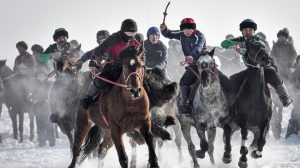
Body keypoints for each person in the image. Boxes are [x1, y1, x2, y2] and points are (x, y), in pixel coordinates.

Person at [160, 18, 230, 114]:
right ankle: (186, 105)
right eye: (185, 29)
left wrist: (192, 56)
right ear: (182, 29)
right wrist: (164, 29)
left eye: (189, 29)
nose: (187, 31)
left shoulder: (199, 36)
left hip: (205, 63)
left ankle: (231, 99)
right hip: (193, 65)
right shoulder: (181, 34)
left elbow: (199, 46)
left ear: (193, 29)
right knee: (183, 81)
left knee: (223, 79)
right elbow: (169, 34)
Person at [221, 19, 293, 107]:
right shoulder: (241, 40)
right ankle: (228, 106)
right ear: (242, 32)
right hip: (251, 70)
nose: (247, 31)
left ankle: (285, 96)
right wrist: (236, 43)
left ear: (254, 31)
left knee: (272, 73)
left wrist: (243, 50)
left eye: (250, 29)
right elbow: (224, 44)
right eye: (245, 29)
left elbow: (257, 47)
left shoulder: (259, 40)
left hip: (265, 67)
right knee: (232, 80)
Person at [80, 19, 144, 109]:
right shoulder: (113, 39)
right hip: (114, 66)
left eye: (134, 33)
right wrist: (93, 61)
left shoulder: (138, 38)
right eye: (129, 33)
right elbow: (99, 50)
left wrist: (141, 62)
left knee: (147, 79)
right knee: (101, 80)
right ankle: (89, 97)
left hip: (132, 67)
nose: (132, 36)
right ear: (123, 31)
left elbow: (142, 53)